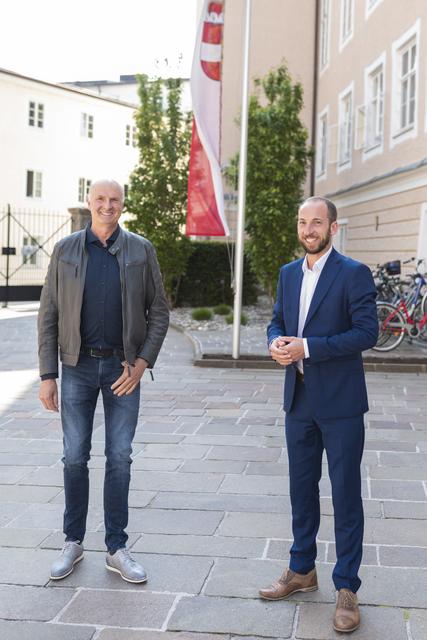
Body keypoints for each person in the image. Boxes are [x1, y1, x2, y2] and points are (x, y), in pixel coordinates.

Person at [38, 179, 169, 584]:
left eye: (114, 200)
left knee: (120, 458)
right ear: (89, 203)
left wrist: (142, 363)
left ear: (122, 204)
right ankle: (72, 542)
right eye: (100, 199)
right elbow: (49, 314)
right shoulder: (65, 250)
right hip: (76, 367)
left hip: (123, 371)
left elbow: (159, 312)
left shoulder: (141, 249)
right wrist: (48, 375)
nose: (107, 205)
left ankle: (116, 547)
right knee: (74, 456)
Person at [259, 197, 378, 633]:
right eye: (303, 222)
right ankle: (301, 570)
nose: (309, 229)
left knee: (345, 494)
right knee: (301, 489)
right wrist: (276, 342)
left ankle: (346, 587)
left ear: (333, 227)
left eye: (317, 222)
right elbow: (276, 321)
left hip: (342, 403)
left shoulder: (353, 273)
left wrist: (306, 347)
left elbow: (368, 332)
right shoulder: (288, 274)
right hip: (299, 399)